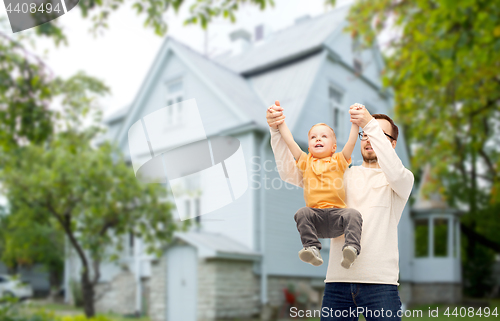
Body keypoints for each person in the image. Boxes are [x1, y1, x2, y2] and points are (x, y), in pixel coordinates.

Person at [266, 101, 414, 321]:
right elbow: (290, 173)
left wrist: (369, 123)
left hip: (380, 285)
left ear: (391, 145)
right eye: (366, 134)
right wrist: (276, 130)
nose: (369, 137)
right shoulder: (342, 175)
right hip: (337, 284)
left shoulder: (400, 179)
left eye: (379, 134)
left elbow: (394, 169)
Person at [270, 100, 363, 269]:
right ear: (309, 147)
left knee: (353, 214)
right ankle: (312, 248)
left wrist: (356, 123)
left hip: (337, 218)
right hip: (315, 220)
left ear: (334, 147)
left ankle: (351, 248)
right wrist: (280, 123)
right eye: (313, 137)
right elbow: (290, 142)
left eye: (323, 136)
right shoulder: (305, 161)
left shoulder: (339, 160)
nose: (318, 139)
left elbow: (351, 143)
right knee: (301, 213)